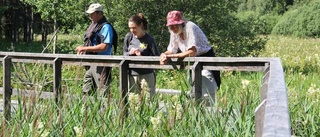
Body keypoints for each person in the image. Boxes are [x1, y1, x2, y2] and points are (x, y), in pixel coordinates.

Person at [160, 10, 221, 104]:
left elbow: (192, 52)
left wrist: (171, 56)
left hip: (204, 58)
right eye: (170, 26)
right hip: (191, 61)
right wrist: (164, 54)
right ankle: (197, 110)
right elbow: (172, 49)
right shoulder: (174, 32)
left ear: (181, 23)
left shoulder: (190, 27)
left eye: (174, 25)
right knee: (193, 86)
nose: (172, 28)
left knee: (207, 85)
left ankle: (210, 110)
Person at [75, 3, 114, 96]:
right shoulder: (94, 26)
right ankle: (87, 110)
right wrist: (84, 50)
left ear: (99, 14)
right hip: (90, 63)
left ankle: (105, 110)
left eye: (92, 14)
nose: (90, 16)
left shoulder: (106, 27)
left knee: (103, 92)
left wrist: (84, 48)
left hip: (101, 63)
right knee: (86, 90)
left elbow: (104, 46)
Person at [123, 13, 160, 97]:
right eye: (130, 28)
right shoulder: (128, 37)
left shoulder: (149, 39)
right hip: (132, 74)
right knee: (134, 101)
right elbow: (124, 53)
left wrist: (142, 56)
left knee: (149, 101)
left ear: (141, 25)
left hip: (147, 74)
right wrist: (130, 53)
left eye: (134, 28)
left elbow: (156, 57)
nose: (132, 30)